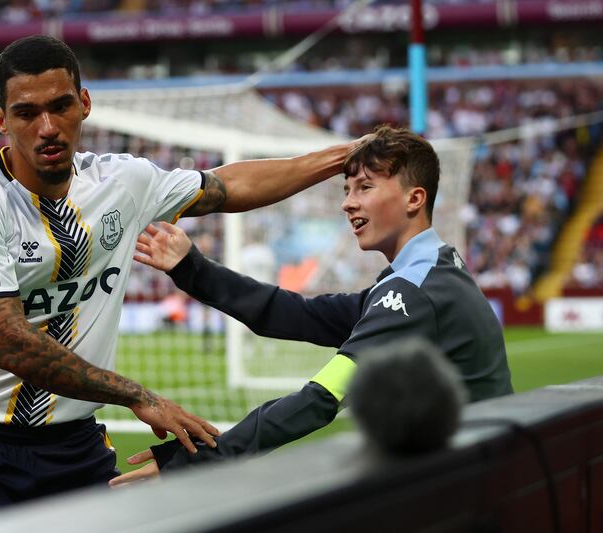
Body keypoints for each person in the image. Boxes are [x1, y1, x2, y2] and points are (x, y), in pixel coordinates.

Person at [0, 34, 363, 526]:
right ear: (1, 120)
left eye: (61, 106)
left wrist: (345, 156)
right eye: (27, 113)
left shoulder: (122, 182)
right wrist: (139, 396)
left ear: (84, 104)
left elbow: (227, 185)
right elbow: (9, 344)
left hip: (75, 441)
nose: (47, 127)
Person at [109, 125, 513, 485]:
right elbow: (297, 316)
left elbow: (322, 398)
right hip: (479, 469)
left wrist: (197, 462)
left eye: (365, 187)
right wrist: (190, 267)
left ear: (415, 199)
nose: (348, 203)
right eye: (347, 190)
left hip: (471, 484)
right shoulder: (429, 272)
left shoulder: (413, 291)